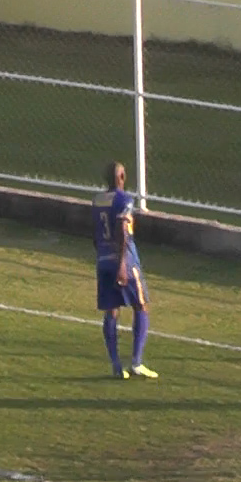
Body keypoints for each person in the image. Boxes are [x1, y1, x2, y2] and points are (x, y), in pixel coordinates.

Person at [92, 161, 155, 379]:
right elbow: (122, 229)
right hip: (124, 261)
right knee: (141, 305)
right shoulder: (124, 200)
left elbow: (95, 231)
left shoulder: (98, 200)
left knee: (112, 310)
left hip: (102, 260)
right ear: (121, 178)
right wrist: (122, 264)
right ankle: (136, 362)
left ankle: (116, 366)